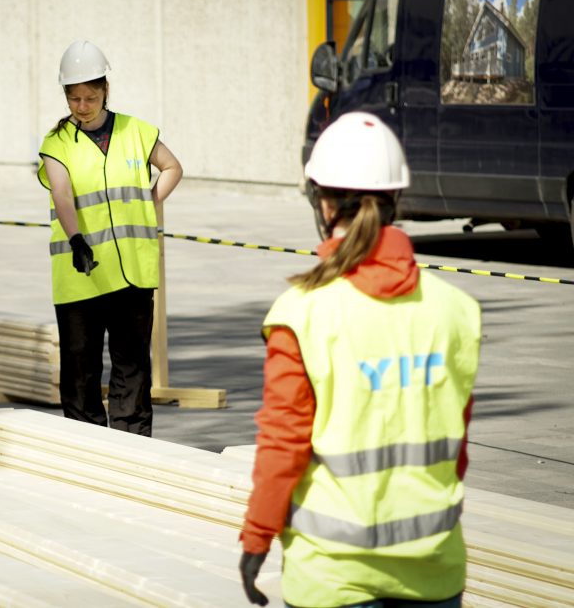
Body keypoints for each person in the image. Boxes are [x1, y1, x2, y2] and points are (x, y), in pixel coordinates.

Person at [237, 112, 480, 608]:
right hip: (433, 569)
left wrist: (257, 538)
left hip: (332, 573)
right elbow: (456, 449)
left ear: (322, 203)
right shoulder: (456, 310)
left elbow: (283, 444)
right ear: (396, 201)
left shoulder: (302, 313)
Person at [37, 40, 183, 437]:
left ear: (105, 91)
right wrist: (76, 238)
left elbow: (171, 167)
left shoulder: (136, 131)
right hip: (81, 272)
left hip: (133, 270)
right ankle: (87, 447)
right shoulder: (57, 143)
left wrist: (150, 202)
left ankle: (133, 446)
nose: (82, 106)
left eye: (90, 97)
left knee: (132, 364)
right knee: (80, 365)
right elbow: (62, 194)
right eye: (74, 98)